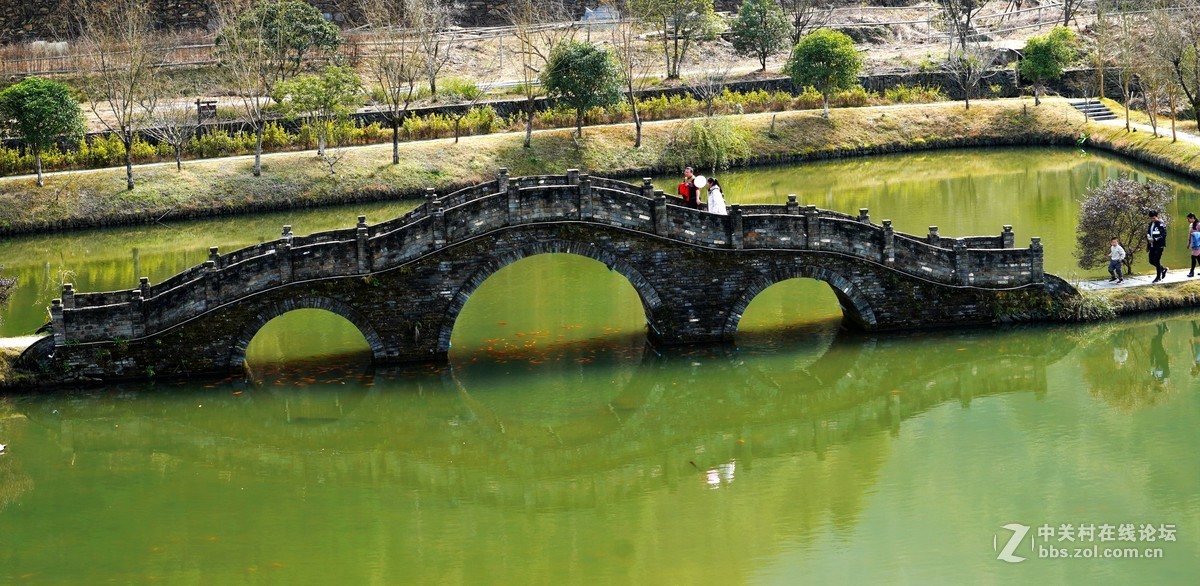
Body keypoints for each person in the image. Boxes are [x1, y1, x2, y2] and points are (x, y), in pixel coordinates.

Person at [1147, 210, 1168, 283]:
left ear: (1157, 216)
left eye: (1154, 218)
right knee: (1151, 261)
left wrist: (1155, 239)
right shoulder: (1150, 224)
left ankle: (1158, 277)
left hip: (1159, 245)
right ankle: (1163, 269)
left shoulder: (1161, 224)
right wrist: (1148, 246)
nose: (1152, 220)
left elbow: (1164, 234)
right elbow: (1149, 235)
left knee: (1156, 260)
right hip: (1152, 245)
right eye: (1151, 218)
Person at [1188, 213, 1200, 277]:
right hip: (1194, 244)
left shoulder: (1199, 225)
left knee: (1193, 257)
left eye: (1188, 219)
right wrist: (1188, 243)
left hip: (1199, 245)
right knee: (1198, 258)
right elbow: (1189, 235)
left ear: (1192, 218)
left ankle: (1191, 272)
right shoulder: (1191, 225)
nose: (1188, 220)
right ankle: (1192, 272)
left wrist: (1195, 234)